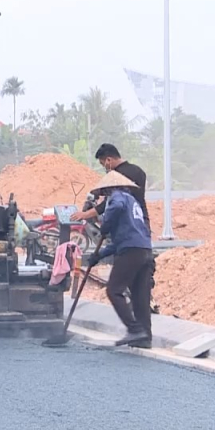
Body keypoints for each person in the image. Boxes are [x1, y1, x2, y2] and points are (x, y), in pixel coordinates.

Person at [86, 171, 154, 349]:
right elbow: (118, 242)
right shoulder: (133, 203)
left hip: (131, 251)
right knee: (140, 296)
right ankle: (145, 336)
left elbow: (114, 210)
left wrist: (105, 225)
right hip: (144, 250)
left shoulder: (117, 197)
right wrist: (98, 256)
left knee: (114, 290)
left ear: (108, 190)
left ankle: (134, 329)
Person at [71, 143, 148, 228]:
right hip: (142, 220)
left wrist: (85, 214)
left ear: (108, 160)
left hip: (126, 225)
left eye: (102, 164)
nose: (104, 167)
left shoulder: (116, 176)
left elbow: (110, 203)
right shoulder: (139, 171)